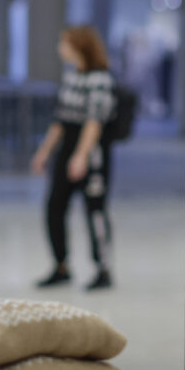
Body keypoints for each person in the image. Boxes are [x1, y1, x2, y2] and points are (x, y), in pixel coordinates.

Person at [33, 25, 117, 290]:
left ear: (79, 47)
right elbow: (60, 120)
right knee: (54, 207)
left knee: (95, 211)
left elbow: (94, 122)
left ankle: (103, 268)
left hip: (91, 153)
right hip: (66, 148)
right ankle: (61, 265)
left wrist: (81, 156)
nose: (61, 49)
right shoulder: (71, 77)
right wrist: (44, 151)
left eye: (65, 44)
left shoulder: (100, 78)